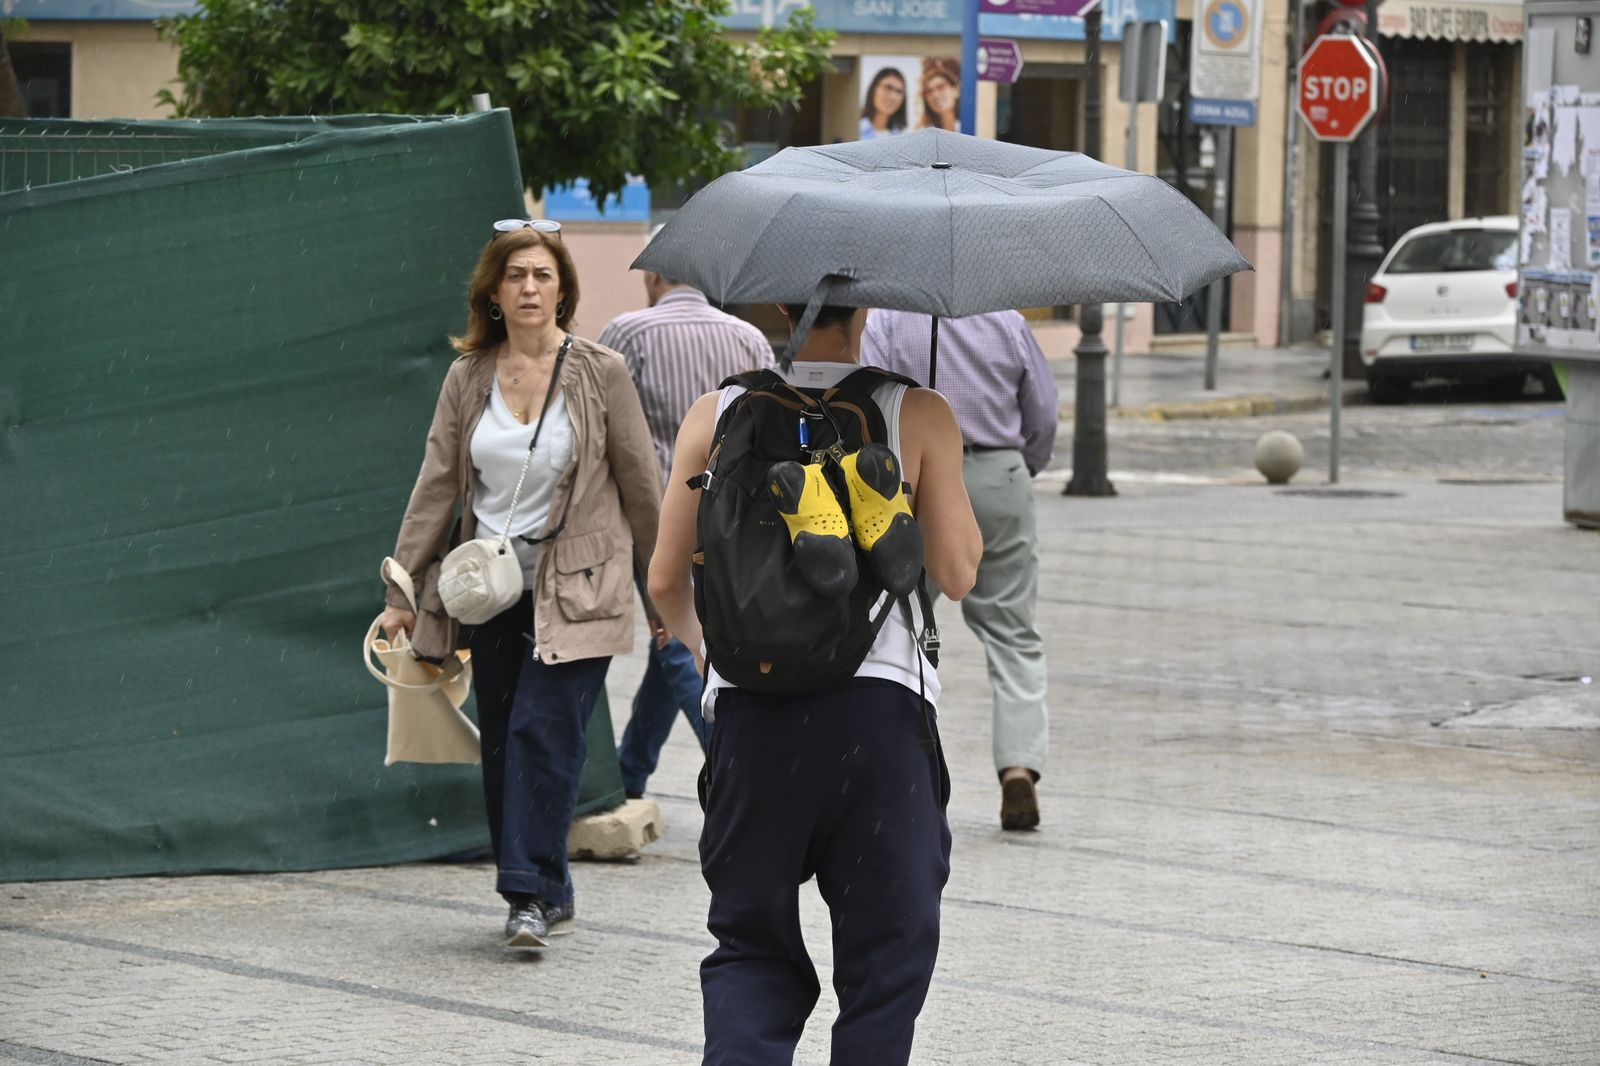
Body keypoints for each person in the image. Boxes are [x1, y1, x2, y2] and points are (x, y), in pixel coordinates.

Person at [649, 302, 982, 1065]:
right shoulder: (916, 409)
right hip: (879, 718)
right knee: (884, 958)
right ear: (862, 306)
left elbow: (665, 578)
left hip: (752, 716)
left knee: (750, 946)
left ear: (773, 305)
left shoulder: (719, 412)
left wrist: (716, 663)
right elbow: (960, 575)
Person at [377, 219, 662, 950]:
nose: (530, 287)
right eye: (516, 276)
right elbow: (436, 485)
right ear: (494, 294)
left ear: (562, 287)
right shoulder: (468, 376)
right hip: (491, 591)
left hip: (581, 590)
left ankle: (526, 894)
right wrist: (403, 591)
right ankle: (552, 885)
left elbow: (641, 489)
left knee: (545, 731)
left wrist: (666, 596)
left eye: (542, 274)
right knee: (504, 741)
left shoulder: (602, 372)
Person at [861, 308, 1058, 830]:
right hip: (999, 472)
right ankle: (1018, 765)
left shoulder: (886, 321)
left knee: (899, 629)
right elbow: (1042, 413)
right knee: (1013, 631)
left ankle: (899, 771)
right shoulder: (1007, 321)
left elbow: (870, 402)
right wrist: (1017, 467)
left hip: (916, 476)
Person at [597, 240, 774, 799]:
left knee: (673, 635)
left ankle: (733, 763)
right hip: (734, 518)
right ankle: (630, 774)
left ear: (653, 277)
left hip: (654, 513)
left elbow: (600, 427)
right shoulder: (748, 337)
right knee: (674, 633)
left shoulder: (627, 334)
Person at [859, 66, 908, 140]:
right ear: (874, 89)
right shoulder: (852, 129)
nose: (893, 96)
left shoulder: (903, 138)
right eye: (888, 87)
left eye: (899, 91)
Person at [917, 57, 960, 131]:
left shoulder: (974, 125)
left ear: (954, 90)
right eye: (929, 91)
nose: (935, 95)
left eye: (941, 87)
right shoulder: (922, 133)